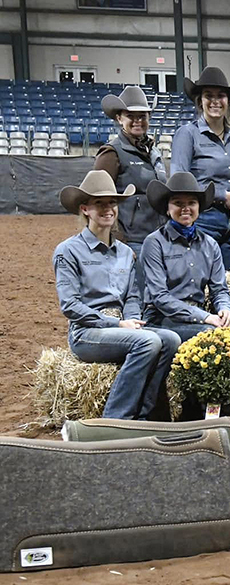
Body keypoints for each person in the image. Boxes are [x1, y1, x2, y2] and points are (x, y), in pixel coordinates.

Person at [52, 170, 180, 420]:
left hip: (123, 326)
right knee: (148, 342)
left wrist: (132, 322)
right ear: (85, 209)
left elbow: (132, 297)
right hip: (86, 332)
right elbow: (70, 305)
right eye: (100, 203)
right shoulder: (67, 251)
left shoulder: (125, 252)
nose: (108, 209)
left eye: (112, 203)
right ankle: (115, 418)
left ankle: (145, 415)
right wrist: (118, 323)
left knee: (171, 339)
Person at [140, 172, 230, 343]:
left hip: (200, 316)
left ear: (199, 208)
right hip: (163, 318)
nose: (185, 208)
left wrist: (226, 309)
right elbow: (160, 297)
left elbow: (219, 290)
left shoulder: (210, 244)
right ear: (167, 208)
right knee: (213, 335)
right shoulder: (154, 243)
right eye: (178, 203)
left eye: (191, 203)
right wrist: (204, 317)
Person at [169, 66, 230, 271]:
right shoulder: (187, 134)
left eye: (221, 95)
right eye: (208, 95)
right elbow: (179, 180)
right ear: (200, 101)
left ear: (228, 101)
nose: (215, 101)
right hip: (204, 219)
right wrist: (222, 196)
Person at [93, 85, 167, 288]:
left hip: (158, 236)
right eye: (131, 116)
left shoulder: (153, 151)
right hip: (132, 239)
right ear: (119, 118)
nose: (137, 121)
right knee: (137, 295)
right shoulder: (111, 153)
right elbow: (97, 200)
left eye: (142, 116)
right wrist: (117, 240)